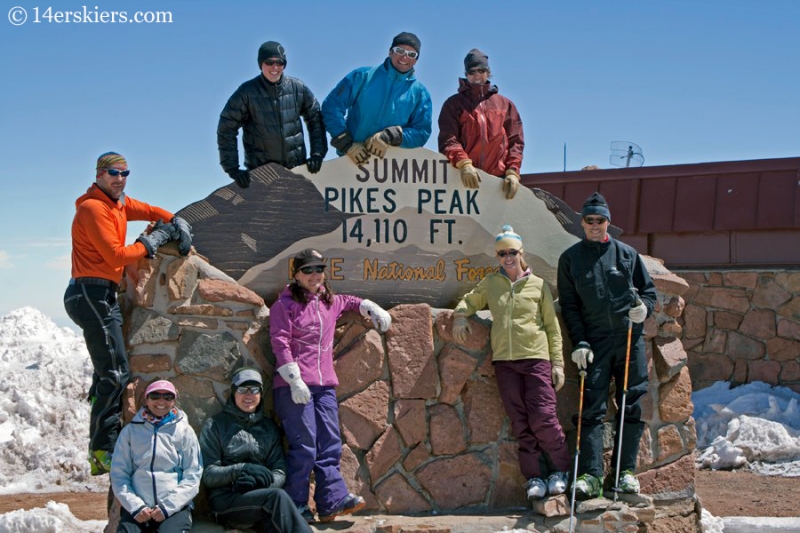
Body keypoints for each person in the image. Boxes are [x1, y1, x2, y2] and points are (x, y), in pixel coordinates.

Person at [64, 151, 192, 475]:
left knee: (109, 367)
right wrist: (153, 240)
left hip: (101, 295)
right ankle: (101, 451)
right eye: (112, 172)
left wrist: (175, 221)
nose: (119, 178)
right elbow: (115, 256)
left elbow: (151, 210)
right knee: (115, 373)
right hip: (89, 293)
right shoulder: (94, 208)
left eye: (124, 173)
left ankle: (99, 409)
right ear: (98, 174)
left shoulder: (118, 204)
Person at [269, 249, 392, 523]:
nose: (314, 275)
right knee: (304, 446)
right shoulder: (284, 305)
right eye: (308, 270)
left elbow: (348, 301)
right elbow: (280, 342)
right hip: (294, 386)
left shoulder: (328, 301)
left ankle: (331, 501)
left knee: (331, 444)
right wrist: (293, 378)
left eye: (319, 269)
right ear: (297, 275)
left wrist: (370, 307)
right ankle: (296, 506)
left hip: (324, 385)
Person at [451, 225, 571, 501]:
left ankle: (562, 470)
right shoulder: (492, 283)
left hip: (536, 360)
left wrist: (558, 364)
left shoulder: (538, 286)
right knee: (520, 422)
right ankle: (535, 477)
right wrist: (460, 315)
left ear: (521, 253)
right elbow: (471, 300)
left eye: (512, 252)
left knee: (543, 418)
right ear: (497, 256)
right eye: (502, 253)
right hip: (505, 363)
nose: (508, 257)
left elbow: (552, 328)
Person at [556, 192, 657, 499]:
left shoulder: (627, 254)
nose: (595, 225)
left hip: (629, 340)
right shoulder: (570, 259)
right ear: (582, 223)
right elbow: (570, 307)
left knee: (631, 405)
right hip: (595, 342)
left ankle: (623, 473)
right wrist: (580, 342)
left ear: (608, 222)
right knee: (591, 408)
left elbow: (648, 293)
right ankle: (591, 475)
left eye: (600, 220)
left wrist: (645, 310)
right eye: (589, 220)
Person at [199, 368, 313, 533]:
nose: (248, 395)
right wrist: (241, 470)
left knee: (276, 527)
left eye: (254, 390)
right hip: (226, 502)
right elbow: (208, 475)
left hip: (260, 499)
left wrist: (260, 482)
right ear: (233, 392)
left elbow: (279, 471)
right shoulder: (215, 425)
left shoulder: (269, 427)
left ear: (260, 394)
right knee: (278, 497)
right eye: (242, 389)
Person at [218, 41, 327, 188]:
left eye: (280, 63)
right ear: (260, 64)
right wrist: (233, 169)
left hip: (296, 171)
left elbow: (316, 118)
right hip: (261, 176)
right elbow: (226, 128)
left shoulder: (297, 88)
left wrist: (317, 153)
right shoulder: (246, 92)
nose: (275, 68)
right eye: (269, 62)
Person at [321, 32, 432, 164]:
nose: (405, 57)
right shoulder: (361, 76)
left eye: (411, 54)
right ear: (390, 52)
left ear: (416, 60)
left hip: (393, 168)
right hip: (352, 161)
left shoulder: (420, 93)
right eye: (400, 50)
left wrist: (392, 135)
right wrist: (346, 144)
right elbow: (332, 107)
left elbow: (422, 132)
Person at [110, 380, 202, 532]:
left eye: (168, 397)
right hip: (139, 508)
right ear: (146, 399)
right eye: (155, 396)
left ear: (174, 401)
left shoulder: (184, 431)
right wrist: (135, 506)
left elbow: (193, 474)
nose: (161, 401)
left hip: (174, 508)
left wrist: (168, 507)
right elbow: (119, 474)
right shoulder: (131, 432)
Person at [438, 48, 524, 200]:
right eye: (472, 71)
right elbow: (448, 139)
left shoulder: (505, 104)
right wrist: (463, 164)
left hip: (498, 183)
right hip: (464, 180)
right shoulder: (453, 104)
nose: (477, 75)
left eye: (481, 70)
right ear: (466, 75)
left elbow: (516, 141)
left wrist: (512, 171)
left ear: (488, 72)